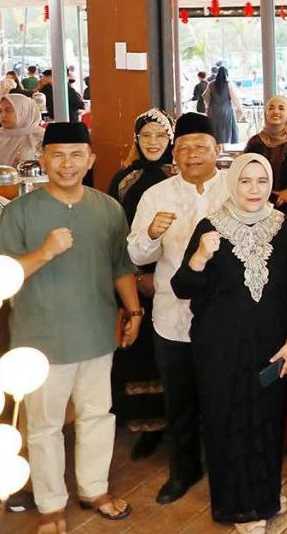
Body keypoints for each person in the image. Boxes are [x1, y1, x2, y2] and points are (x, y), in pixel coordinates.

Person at [0, 122, 139, 532]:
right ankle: (50, 503)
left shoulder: (108, 208)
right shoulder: (20, 211)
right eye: (57, 155)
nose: (67, 164)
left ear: (91, 160)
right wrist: (44, 251)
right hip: (40, 340)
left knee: (98, 416)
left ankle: (94, 489)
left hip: (97, 332)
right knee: (44, 426)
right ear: (43, 159)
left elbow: (120, 266)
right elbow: (0, 273)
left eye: (76, 155)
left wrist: (133, 311)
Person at [170, 154, 287, 533]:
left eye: (262, 181)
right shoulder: (211, 225)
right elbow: (182, 287)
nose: (254, 189)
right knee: (227, 420)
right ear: (233, 184)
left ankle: (264, 496)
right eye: (245, 181)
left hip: (270, 343)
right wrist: (200, 256)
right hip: (220, 346)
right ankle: (240, 507)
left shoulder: (284, 226)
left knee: (267, 418)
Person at [127, 112, 229, 505]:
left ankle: (226, 468)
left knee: (223, 398)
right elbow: (136, 253)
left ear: (217, 149)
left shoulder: (236, 187)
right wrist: (152, 233)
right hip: (173, 314)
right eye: (184, 147)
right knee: (180, 399)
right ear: (175, 152)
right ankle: (183, 470)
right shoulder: (156, 195)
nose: (192, 154)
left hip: (226, 315)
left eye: (201, 146)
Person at [107, 109, 175, 461]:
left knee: (171, 351)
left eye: (160, 135)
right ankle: (147, 426)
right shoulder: (124, 180)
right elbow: (116, 234)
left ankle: (177, 424)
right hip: (133, 277)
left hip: (174, 277)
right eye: (146, 135)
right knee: (139, 351)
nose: (153, 142)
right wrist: (134, 278)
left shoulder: (178, 176)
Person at [244, 95, 287, 220]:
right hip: (260, 204)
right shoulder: (255, 142)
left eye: (281, 108)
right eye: (271, 108)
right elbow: (246, 172)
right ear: (266, 113)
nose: (276, 112)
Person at [0, 92, 44, 166]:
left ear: (24, 111)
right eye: (0, 111)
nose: (3, 115)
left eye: (8, 110)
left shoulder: (40, 138)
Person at [201, 66, 243, 144]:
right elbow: (234, 98)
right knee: (226, 132)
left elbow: (205, 96)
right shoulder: (228, 84)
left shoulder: (211, 84)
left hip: (213, 111)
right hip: (226, 111)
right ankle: (226, 146)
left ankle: (215, 147)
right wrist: (240, 109)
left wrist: (209, 105)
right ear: (226, 74)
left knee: (214, 132)